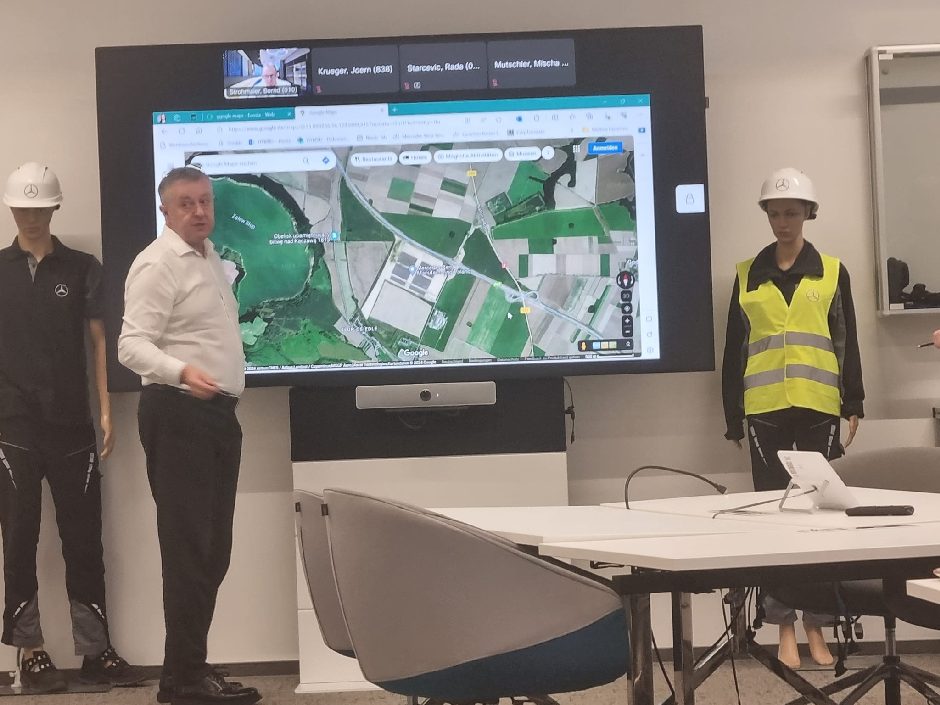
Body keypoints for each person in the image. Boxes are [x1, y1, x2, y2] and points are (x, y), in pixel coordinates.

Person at [118, 166, 261, 705]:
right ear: (166, 210)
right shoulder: (158, 264)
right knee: (189, 551)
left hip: (217, 418)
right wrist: (181, 371)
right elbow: (130, 346)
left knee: (212, 553)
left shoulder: (209, 257)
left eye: (205, 201)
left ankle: (187, 670)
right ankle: (183, 680)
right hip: (178, 415)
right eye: (186, 203)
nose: (199, 211)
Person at [0, 162, 144, 692]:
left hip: (73, 427)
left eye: (41, 207)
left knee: (84, 542)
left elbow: (102, 341)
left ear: (55, 207)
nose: (32, 216)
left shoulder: (82, 268)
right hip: (12, 427)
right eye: (23, 208)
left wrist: (105, 409)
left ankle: (96, 652)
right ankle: (31, 653)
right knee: (19, 540)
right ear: (11, 209)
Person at [721, 167, 865, 669]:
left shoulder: (832, 271)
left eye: (792, 212)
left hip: (818, 406)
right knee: (775, 515)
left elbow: (846, 339)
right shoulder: (747, 275)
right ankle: (782, 623)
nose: (783, 222)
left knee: (821, 514)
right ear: (767, 215)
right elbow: (734, 349)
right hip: (764, 410)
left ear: (808, 214)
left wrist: (854, 401)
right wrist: (732, 413)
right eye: (775, 213)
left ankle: (817, 624)